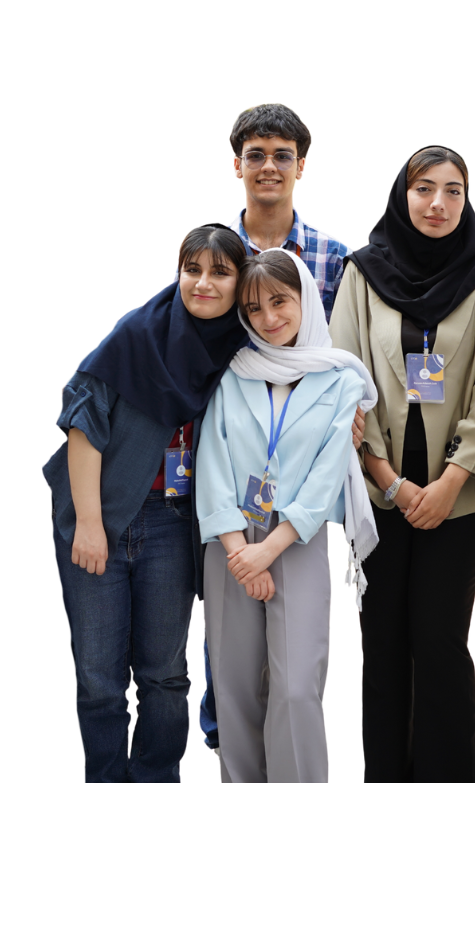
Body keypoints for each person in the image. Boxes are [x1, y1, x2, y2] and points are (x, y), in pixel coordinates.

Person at [330, 145, 475, 783]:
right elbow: (346, 380)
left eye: (453, 191)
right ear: (401, 195)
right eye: (424, 189)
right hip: (378, 494)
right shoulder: (363, 273)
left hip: (459, 498)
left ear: (466, 201)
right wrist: (390, 481)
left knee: (440, 641)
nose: (438, 203)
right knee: (382, 641)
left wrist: (449, 483)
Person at [44, 223, 249, 782]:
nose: (203, 283)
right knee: (98, 677)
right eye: (192, 269)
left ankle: (157, 775)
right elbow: (83, 421)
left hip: (173, 523)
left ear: (240, 283)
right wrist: (91, 523)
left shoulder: (240, 349)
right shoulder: (137, 332)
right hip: (102, 518)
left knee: (163, 672)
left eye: (220, 273)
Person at [197, 249, 377, 783]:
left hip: (296, 539)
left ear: (305, 299)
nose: (268, 318)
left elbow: (326, 476)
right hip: (230, 542)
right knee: (233, 686)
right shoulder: (233, 373)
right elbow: (211, 462)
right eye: (253, 309)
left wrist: (268, 551)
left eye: (280, 301)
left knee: (296, 687)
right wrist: (240, 554)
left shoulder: (341, 380)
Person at [228, 101, 350, 317]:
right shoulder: (209, 255)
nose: (269, 167)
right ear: (237, 166)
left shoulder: (335, 258)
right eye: (255, 156)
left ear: (300, 167)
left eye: (282, 156)